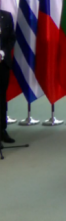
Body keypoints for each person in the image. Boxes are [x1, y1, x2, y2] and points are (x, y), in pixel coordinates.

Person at [0, 8, 16, 144]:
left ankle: (2, 130)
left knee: (1, 98)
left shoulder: (6, 16)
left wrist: (3, 52)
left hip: (2, 63)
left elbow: (11, 38)